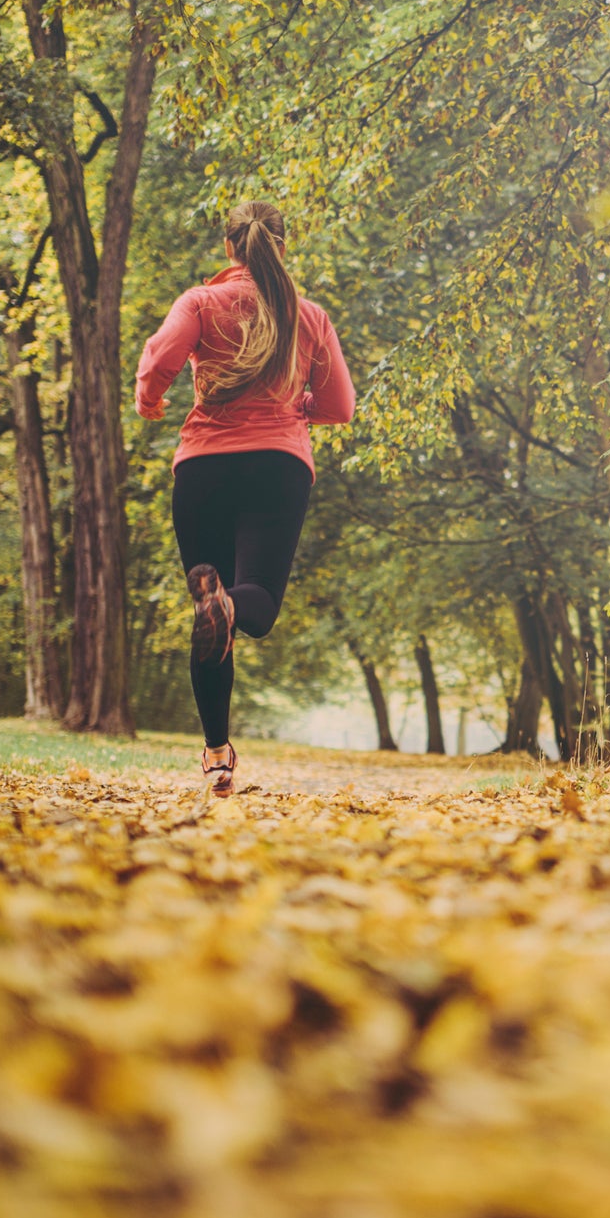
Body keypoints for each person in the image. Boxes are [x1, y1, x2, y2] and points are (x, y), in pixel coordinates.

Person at [134, 200, 355, 796]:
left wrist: (150, 397)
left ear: (229, 248)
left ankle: (216, 754)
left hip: (202, 469)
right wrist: (297, 407)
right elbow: (339, 408)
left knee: (209, 612)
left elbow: (160, 358)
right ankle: (228, 608)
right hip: (276, 468)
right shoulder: (309, 317)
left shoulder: (200, 303)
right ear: (281, 246)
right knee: (244, 605)